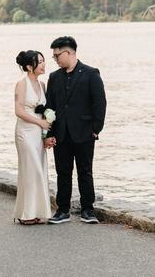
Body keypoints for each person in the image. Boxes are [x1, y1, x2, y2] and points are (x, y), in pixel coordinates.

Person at [43, 35, 106, 224]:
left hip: (85, 132)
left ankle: (88, 210)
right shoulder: (54, 77)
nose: (55, 59)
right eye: (54, 56)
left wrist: (96, 129)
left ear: (69, 52)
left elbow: (100, 104)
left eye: (57, 55)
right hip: (61, 133)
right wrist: (49, 134)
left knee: (85, 171)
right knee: (63, 172)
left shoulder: (91, 74)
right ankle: (62, 210)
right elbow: (50, 107)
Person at [12, 50, 52, 225]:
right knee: (30, 170)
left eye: (44, 61)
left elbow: (45, 112)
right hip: (25, 132)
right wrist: (39, 122)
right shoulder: (22, 84)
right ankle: (25, 214)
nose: (43, 64)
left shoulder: (42, 85)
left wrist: (46, 135)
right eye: (40, 62)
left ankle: (36, 212)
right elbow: (19, 111)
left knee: (40, 171)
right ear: (29, 66)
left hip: (38, 134)